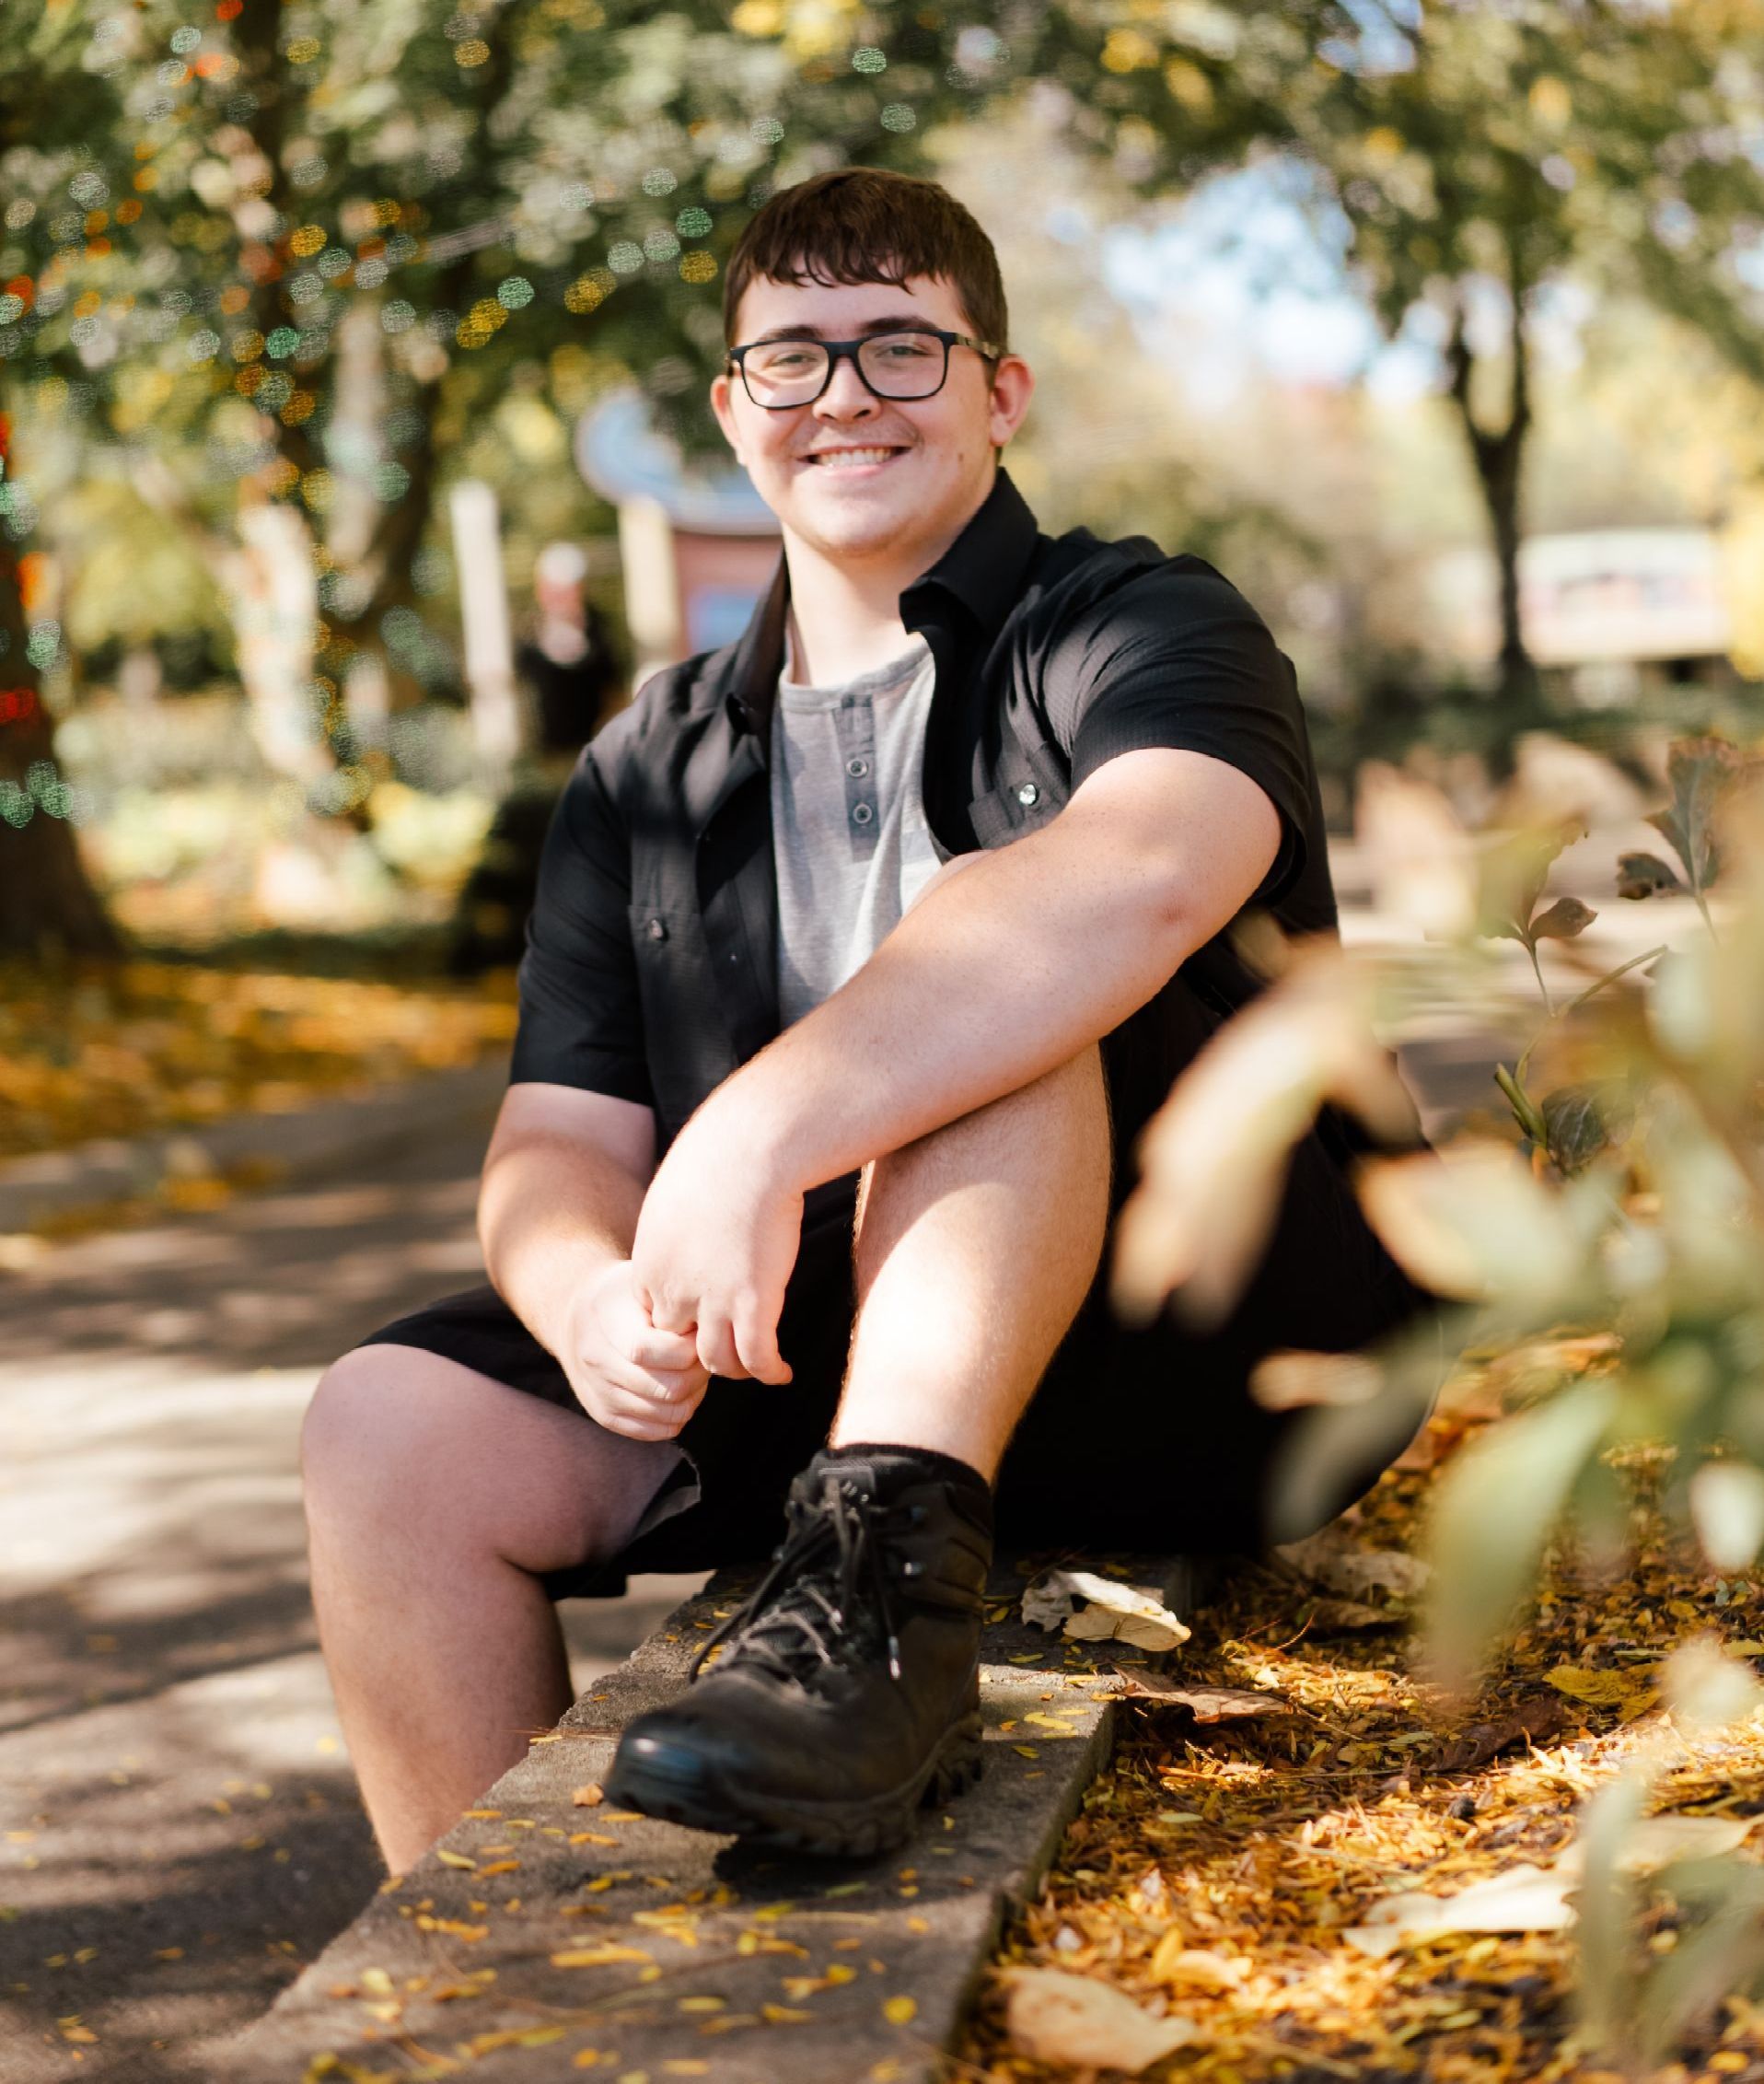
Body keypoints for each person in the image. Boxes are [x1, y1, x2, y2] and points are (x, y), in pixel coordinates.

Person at [301, 167, 1436, 1873]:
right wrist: (591, 1296)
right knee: (387, 1434)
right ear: (734, 413)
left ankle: (879, 1635)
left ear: (1002, 392)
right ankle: (497, 2005)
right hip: (809, 1359)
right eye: (795, 357)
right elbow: (555, 1139)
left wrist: (763, 1123)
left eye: (904, 348)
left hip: (1202, 1351)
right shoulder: (647, 763)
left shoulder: (1139, 622)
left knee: (992, 967)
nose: (844, 393)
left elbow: (1139, 875)